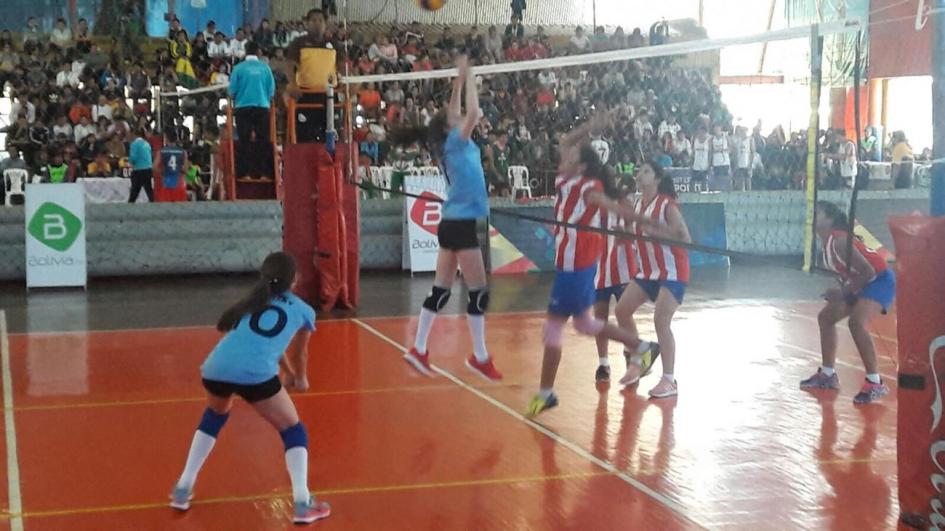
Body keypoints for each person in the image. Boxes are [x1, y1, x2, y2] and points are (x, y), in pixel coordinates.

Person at [169, 252, 331, 524]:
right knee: (293, 430)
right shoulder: (303, 310)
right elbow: (300, 352)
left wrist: (287, 374)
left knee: (214, 417)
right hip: (255, 374)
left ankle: (183, 487)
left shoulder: (254, 301)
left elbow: (265, 344)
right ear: (295, 280)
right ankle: (303, 503)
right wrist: (300, 378)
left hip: (215, 368)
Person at [525, 113, 659, 417]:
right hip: (572, 265)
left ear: (581, 166)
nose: (564, 156)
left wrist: (645, 221)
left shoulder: (587, 187)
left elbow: (613, 207)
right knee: (584, 324)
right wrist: (590, 126)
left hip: (577, 266)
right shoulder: (565, 178)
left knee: (555, 327)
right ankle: (641, 347)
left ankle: (546, 393)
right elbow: (566, 140)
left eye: (570, 157)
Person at [387, 56, 502, 381]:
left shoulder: (447, 140)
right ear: (450, 126)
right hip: (461, 224)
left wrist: (457, 82)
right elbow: (475, 113)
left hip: (451, 222)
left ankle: (419, 348)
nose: (460, 115)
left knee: (441, 290)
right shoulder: (456, 140)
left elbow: (455, 111)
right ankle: (480, 357)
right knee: (478, 291)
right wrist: (470, 76)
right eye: (455, 116)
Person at [800, 201, 894, 404]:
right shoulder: (826, 245)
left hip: (880, 279)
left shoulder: (840, 242)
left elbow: (868, 271)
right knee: (825, 317)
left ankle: (874, 382)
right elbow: (847, 272)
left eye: (818, 213)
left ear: (830, 220)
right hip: (860, 281)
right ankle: (827, 375)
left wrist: (842, 292)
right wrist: (838, 291)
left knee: (856, 322)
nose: (813, 216)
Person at [615, 161, 692, 399]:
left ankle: (669, 380)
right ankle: (640, 358)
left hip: (672, 272)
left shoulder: (667, 205)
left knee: (661, 320)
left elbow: (685, 238)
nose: (640, 174)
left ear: (657, 179)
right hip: (648, 272)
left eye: (647, 171)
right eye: (639, 170)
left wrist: (658, 233)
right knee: (621, 311)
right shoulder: (638, 205)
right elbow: (631, 238)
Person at [285, 9, 335, 143]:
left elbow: (344, 68)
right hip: (306, 95)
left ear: (325, 23)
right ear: (307, 23)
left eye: (320, 20)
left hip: (329, 97)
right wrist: (292, 84)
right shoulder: (298, 43)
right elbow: (289, 65)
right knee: (304, 135)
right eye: (313, 20)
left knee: (330, 136)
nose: (317, 23)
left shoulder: (334, 45)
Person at [229, 42, 276, 178]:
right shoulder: (265, 69)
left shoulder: (238, 69)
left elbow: (232, 92)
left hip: (242, 108)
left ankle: (244, 173)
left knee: (244, 141)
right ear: (259, 52)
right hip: (262, 107)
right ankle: (264, 173)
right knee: (263, 140)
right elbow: (271, 92)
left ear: (245, 51)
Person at [154, 130, 188, 202]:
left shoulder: (161, 151)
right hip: (179, 183)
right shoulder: (183, 152)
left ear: (166, 139)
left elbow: (154, 167)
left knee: (166, 209)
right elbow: (185, 169)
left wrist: (162, 172)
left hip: (167, 182)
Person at [128, 129, 154, 202]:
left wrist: (130, 162)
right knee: (149, 190)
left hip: (138, 170)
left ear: (134, 135)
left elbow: (133, 157)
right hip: (148, 169)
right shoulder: (147, 144)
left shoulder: (134, 144)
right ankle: (154, 203)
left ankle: (130, 205)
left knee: (134, 191)